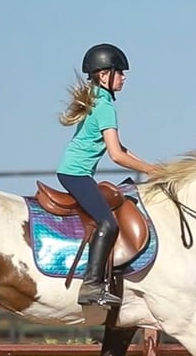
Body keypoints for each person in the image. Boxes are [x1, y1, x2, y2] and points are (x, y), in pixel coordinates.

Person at [56, 43, 157, 307]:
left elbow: (121, 148)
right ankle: (91, 286)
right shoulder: (105, 107)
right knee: (108, 224)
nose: (123, 77)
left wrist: (152, 167)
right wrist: (148, 170)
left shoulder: (99, 99)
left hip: (74, 172)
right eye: (119, 72)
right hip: (75, 174)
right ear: (104, 75)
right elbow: (116, 156)